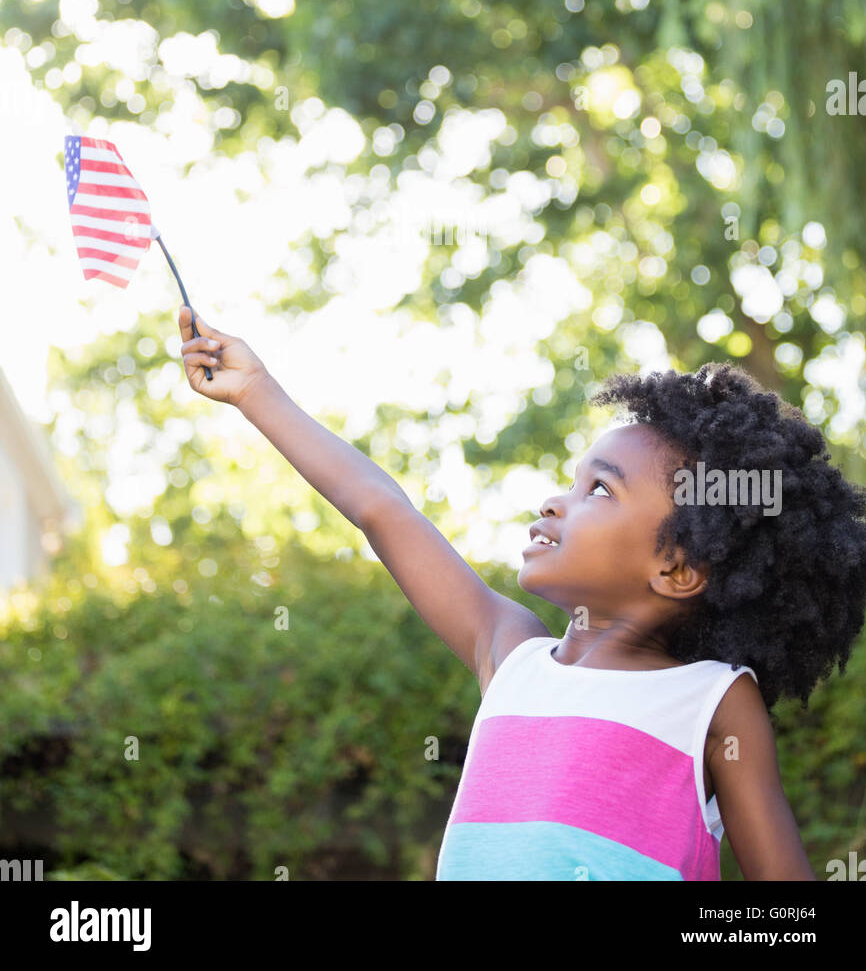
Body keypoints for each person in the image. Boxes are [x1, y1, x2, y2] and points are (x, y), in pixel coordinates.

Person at [176, 305, 866, 881]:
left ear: (679, 569)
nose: (555, 502)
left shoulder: (713, 701)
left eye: (598, 489)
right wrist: (256, 390)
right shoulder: (510, 657)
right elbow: (381, 510)